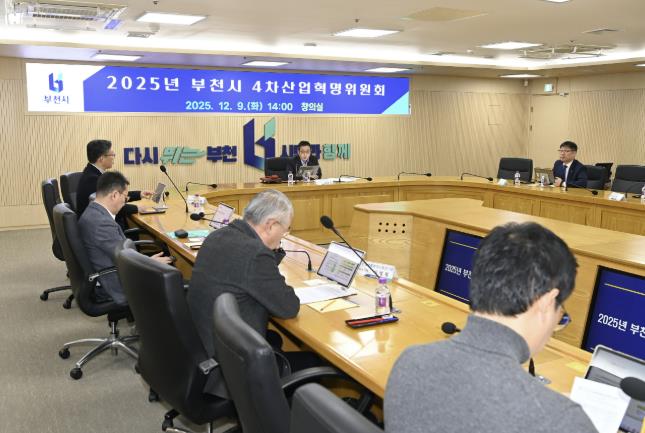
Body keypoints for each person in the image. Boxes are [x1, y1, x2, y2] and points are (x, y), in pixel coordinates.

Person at [384, 222, 597, 433]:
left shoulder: (409, 362)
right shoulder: (561, 420)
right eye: (560, 315)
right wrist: (560, 410)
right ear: (547, 302)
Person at [187, 189, 304, 396]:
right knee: (313, 362)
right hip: (231, 368)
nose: (285, 235)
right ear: (270, 225)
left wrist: (271, 252)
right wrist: (269, 253)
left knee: (275, 339)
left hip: (203, 348)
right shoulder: (255, 254)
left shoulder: (217, 236)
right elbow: (288, 306)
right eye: (286, 229)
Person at [78, 171, 172, 305]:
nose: (125, 202)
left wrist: (147, 260)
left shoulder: (93, 211)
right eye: (125, 197)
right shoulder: (102, 224)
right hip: (115, 285)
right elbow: (125, 261)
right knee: (174, 279)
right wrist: (151, 263)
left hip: (109, 271)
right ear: (114, 195)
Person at [76, 139, 151, 229]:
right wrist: (137, 208)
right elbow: (112, 205)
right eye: (112, 155)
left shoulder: (92, 173)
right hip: (102, 229)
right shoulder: (93, 179)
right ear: (101, 158)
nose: (114, 157)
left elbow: (116, 196)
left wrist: (139, 194)